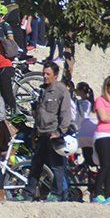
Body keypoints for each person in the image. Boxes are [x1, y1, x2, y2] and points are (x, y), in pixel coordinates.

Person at [20, 61, 73, 202]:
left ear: (55, 75)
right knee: (36, 164)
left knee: (57, 166)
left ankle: (57, 193)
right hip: (41, 133)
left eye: (48, 74)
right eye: (44, 73)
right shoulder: (41, 90)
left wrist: (60, 132)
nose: (44, 76)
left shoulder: (61, 91)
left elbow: (65, 114)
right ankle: (28, 193)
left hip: (53, 133)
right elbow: (38, 113)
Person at [92, 76, 110, 204]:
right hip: (103, 135)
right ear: (106, 86)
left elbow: (109, 117)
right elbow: (103, 117)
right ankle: (97, 193)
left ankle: (108, 194)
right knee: (105, 165)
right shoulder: (100, 100)